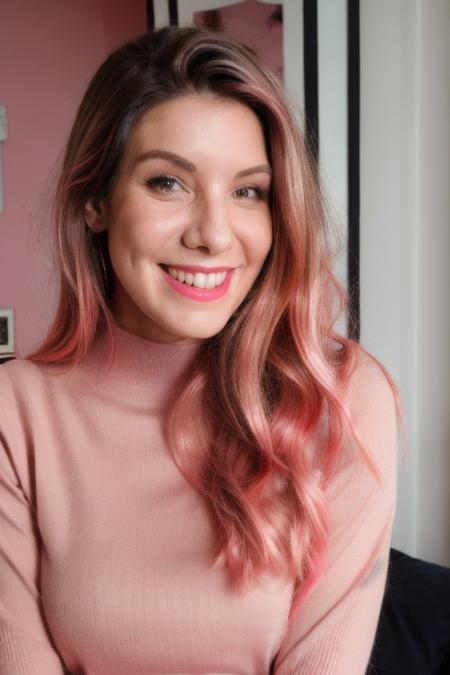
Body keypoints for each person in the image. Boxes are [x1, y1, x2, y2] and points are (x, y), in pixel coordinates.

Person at [0, 26, 402, 675]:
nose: (215, 234)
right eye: (169, 183)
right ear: (97, 200)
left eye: (248, 191)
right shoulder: (14, 414)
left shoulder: (343, 400)